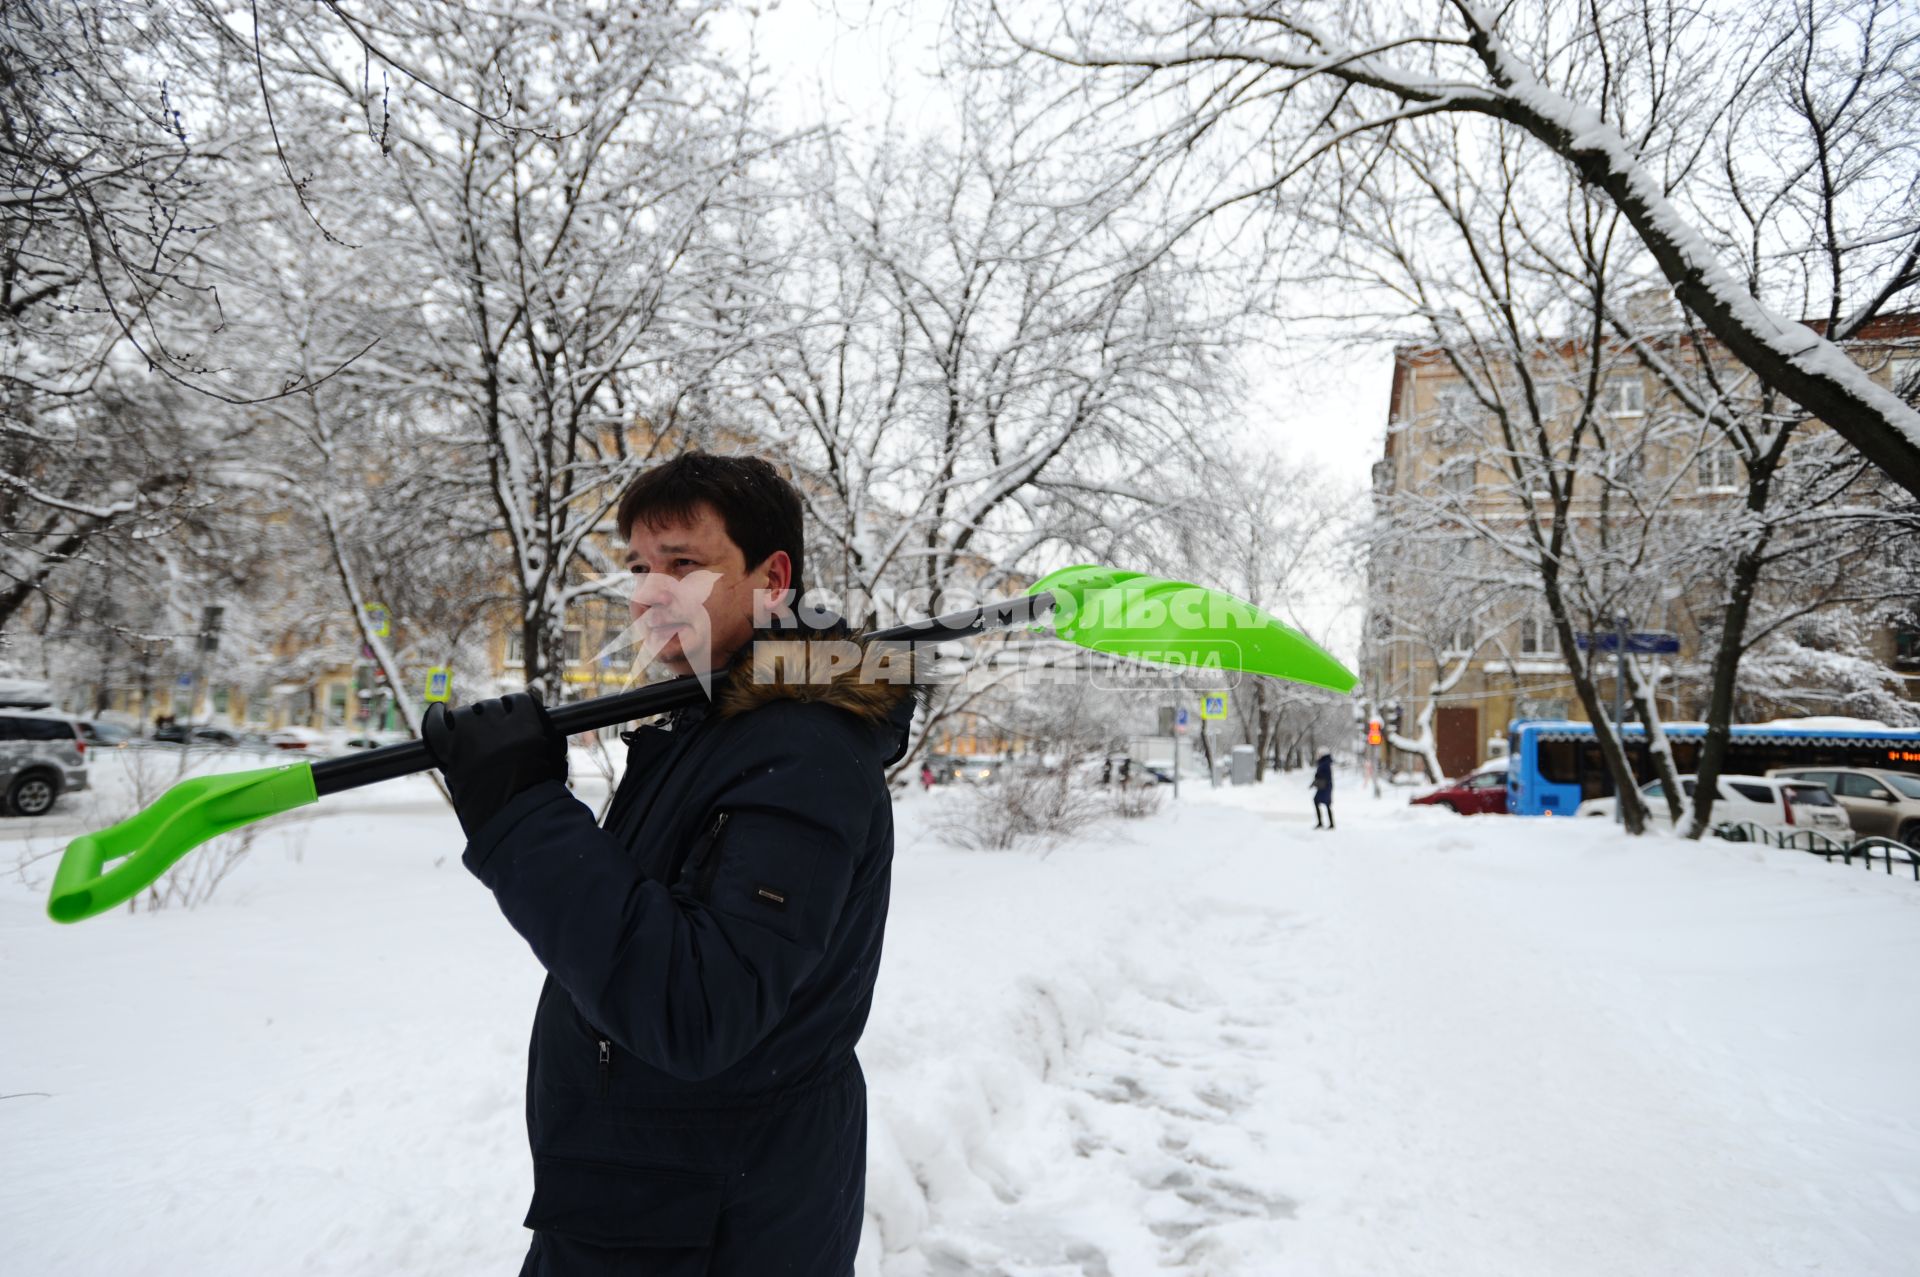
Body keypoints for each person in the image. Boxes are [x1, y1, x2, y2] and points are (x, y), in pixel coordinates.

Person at [422, 452, 918, 1276]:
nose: (650, 592)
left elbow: (696, 1009)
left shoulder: (800, 753)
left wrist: (525, 812)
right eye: (640, 567)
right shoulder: (716, 726)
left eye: (684, 563)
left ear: (773, 577)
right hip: (653, 1200)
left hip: (709, 1220)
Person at [1311, 750, 1335, 829]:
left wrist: (1317, 776)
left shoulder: (1325, 763)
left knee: (1324, 803)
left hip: (1325, 787)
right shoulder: (1324, 762)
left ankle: (1328, 823)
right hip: (1324, 787)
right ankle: (1324, 823)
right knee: (1320, 802)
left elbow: (1324, 775)